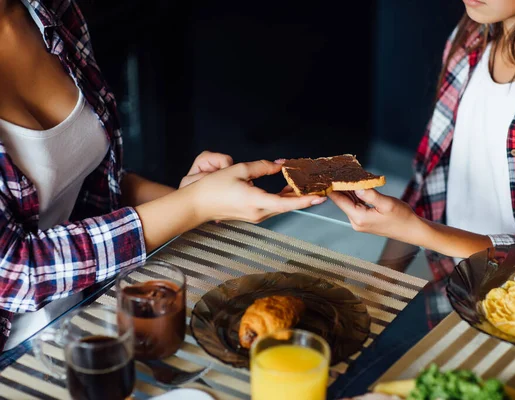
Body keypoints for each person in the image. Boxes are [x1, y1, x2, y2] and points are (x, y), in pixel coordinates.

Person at [0, 0, 326, 351]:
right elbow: (19, 273)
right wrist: (193, 205)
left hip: (94, 314)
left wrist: (198, 199)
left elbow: (89, 187)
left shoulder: (52, 12)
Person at [331, 0, 515, 324]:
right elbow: (426, 182)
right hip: (449, 293)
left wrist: (419, 232)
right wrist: (378, 289)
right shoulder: (470, 36)